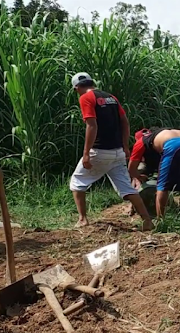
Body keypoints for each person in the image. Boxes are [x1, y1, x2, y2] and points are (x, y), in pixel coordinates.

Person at [68, 72, 153, 231]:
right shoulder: (111, 98)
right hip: (118, 153)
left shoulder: (86, 98)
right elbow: (125, 122)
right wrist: (125, 146)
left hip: (99, 151)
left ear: (77, 88)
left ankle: (82, 219)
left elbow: (92, 126)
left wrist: (86, 153)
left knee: (77, 182)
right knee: (127, 189)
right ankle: (147, 220)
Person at [128, 127, 180, 218]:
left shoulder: (141, 142)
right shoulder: (159, 134)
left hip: (173, 145)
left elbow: (131, 169)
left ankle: (161, 220)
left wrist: (138, 176)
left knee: (162, 185)